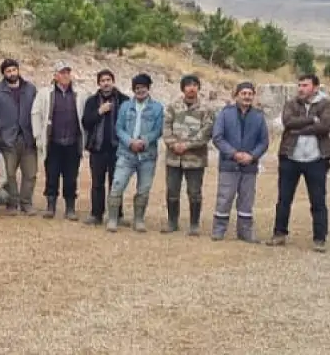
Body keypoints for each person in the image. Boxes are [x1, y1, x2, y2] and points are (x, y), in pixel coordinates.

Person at [268, 73, 330, 250]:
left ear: (316, 88)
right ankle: (279, 234)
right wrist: (311, 119)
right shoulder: (291, 103)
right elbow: (288, 122)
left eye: (305, 85)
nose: (301, 89)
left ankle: (319, 239)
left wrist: (299, 130)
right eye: (299, 85)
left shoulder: (326, 104)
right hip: (290, 157)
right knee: (284, 199)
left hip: (316, 159)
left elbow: (325, 126)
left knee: (318, 200)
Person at [211, 82, 269, 242]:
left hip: (249, 166)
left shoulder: (258, 116)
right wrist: (234, 153)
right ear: (236, 95)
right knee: (225, 197)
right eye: (243, 93)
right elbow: (217, 137)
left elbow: (264, 142)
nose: (247, 96)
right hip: (229, 164)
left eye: (250, 93)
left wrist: (252, 156)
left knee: (246, 199)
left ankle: (245, 232)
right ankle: (219, 230)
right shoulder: (225, 114)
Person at [107, 73, 165, 232]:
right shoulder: (125, 106)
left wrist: (144, 141)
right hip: (126, 154)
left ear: (148, 88)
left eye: (144, 87)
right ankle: (112, 219)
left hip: (147, 156)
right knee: (117, 185)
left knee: (143, 189)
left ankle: (139, 219)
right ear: (133, 89)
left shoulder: (158, 108)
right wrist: (130, 141)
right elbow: (118, 128)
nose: (141, 91)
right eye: (137, 88)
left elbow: (159, 130)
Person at [0, 59, 40, 215]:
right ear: (3, 73)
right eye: (8, 71)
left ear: (18, 70)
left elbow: (38, 111)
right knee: (8, 173)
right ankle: (12, 203)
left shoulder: (30, 89)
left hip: (28, 138)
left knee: (30, 173)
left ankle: (26, 203)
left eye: (14, 70)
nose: (12, 73)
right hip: (7, 139)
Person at [162, 74, 215, 235]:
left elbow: (206, 132)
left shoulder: (206, 109)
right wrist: (173, 144)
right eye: (188, 85)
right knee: (172, 191)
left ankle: (194, 224)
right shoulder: (173, 107)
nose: (191, 88)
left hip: (195, 159)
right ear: (183, 88)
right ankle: (172, 222)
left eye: (194, 85)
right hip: (174, 158)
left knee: (194, 193)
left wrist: (187, 145)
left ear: (198, 88)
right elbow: (166, 128)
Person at [35, 62, 85, 221]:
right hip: (53, 142)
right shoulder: (45, 93)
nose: (65, 76)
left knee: (71, 177)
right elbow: (36, 114)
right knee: (52, 175)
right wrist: (38, 136)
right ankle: (50, 207)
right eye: (62, 73)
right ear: (55, 75)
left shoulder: (80, 94)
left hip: (72, 143)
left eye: (67, 72)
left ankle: (70, 208)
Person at [80, 70, 129, 225]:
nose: (106, 83)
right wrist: (99, 112)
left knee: (117, 183)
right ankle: (96, 214)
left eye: (108, 80)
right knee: (97, 183)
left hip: (118, 149)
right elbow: (86, 122)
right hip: (97, 148)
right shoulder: (92, 101)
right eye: (102, 80)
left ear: (113, 81)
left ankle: (117, 215)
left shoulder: (124, 100)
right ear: (98, 83)